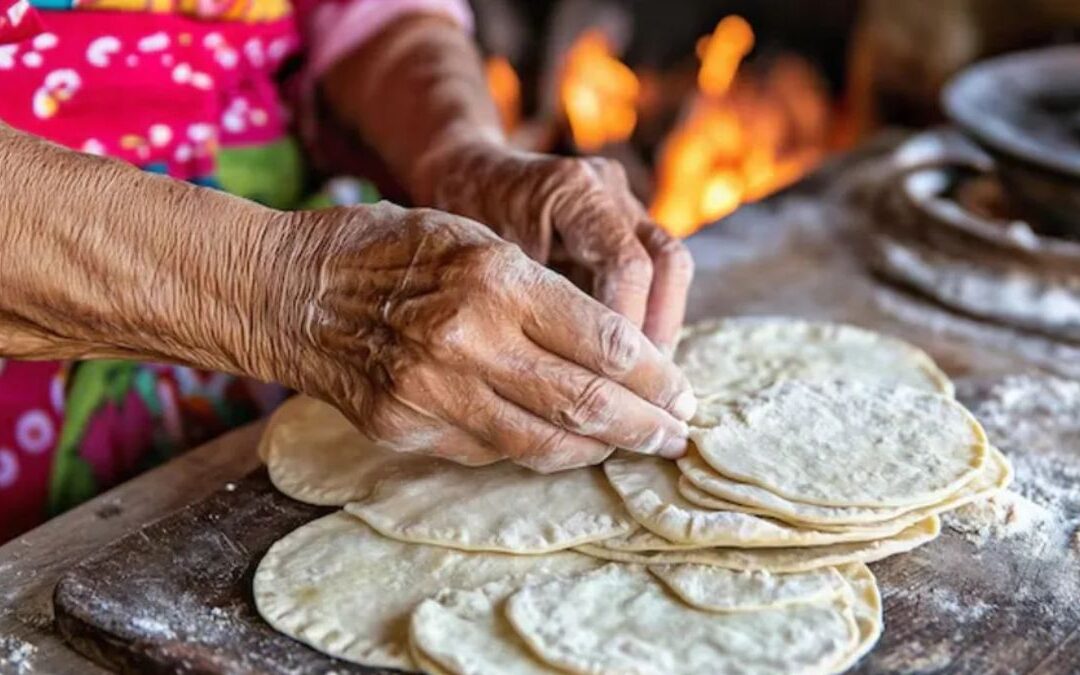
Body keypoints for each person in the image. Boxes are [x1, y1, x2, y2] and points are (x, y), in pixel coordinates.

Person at [0, 0, 695, 542]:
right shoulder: (297, 299)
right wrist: (283, 289)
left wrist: (461, 154)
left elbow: (368, 13)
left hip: (267, 401)